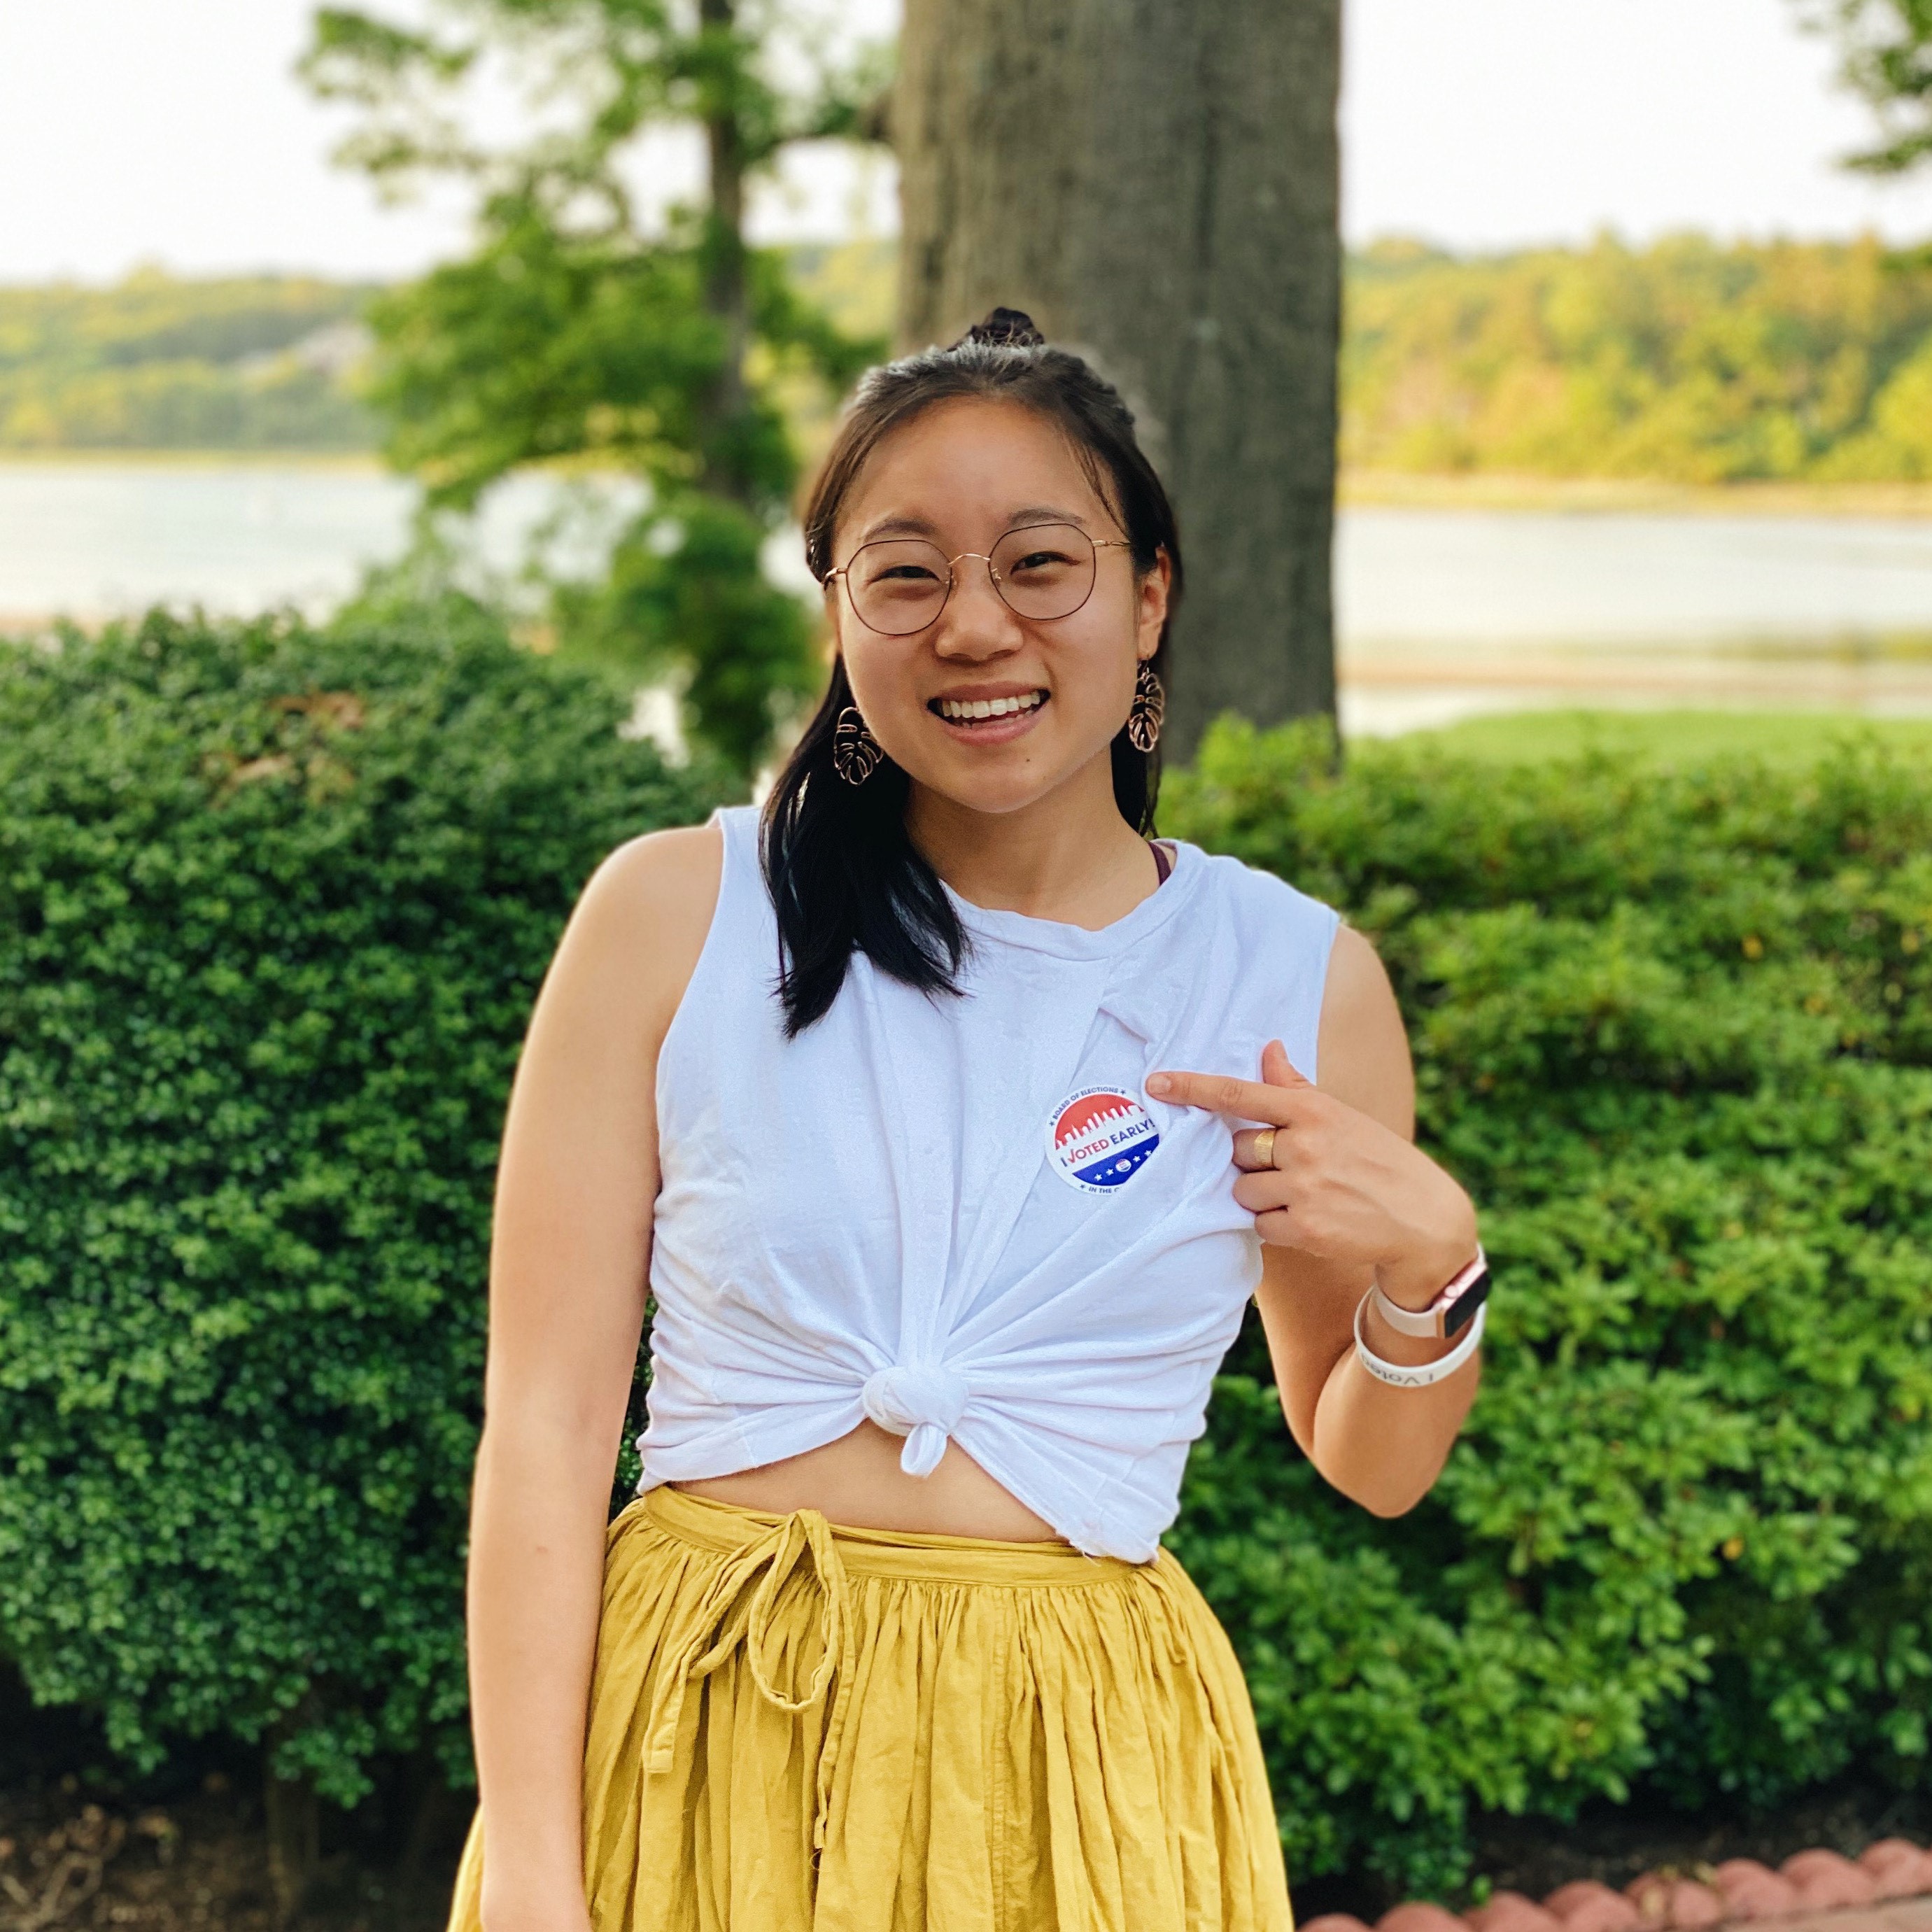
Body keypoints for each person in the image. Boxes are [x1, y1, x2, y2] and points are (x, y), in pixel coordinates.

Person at [447, 308, 1486, 1932]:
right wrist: (530, 1873)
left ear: (1148, 598)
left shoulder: (1289, 978)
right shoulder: (676, 914)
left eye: (1040, 566)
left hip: (1073, 1763)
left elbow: (1366, 1456)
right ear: (843, 618)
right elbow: (548, 1430)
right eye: (907, 573)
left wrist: (1432, 1271)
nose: (975, 626)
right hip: (705, 1718)